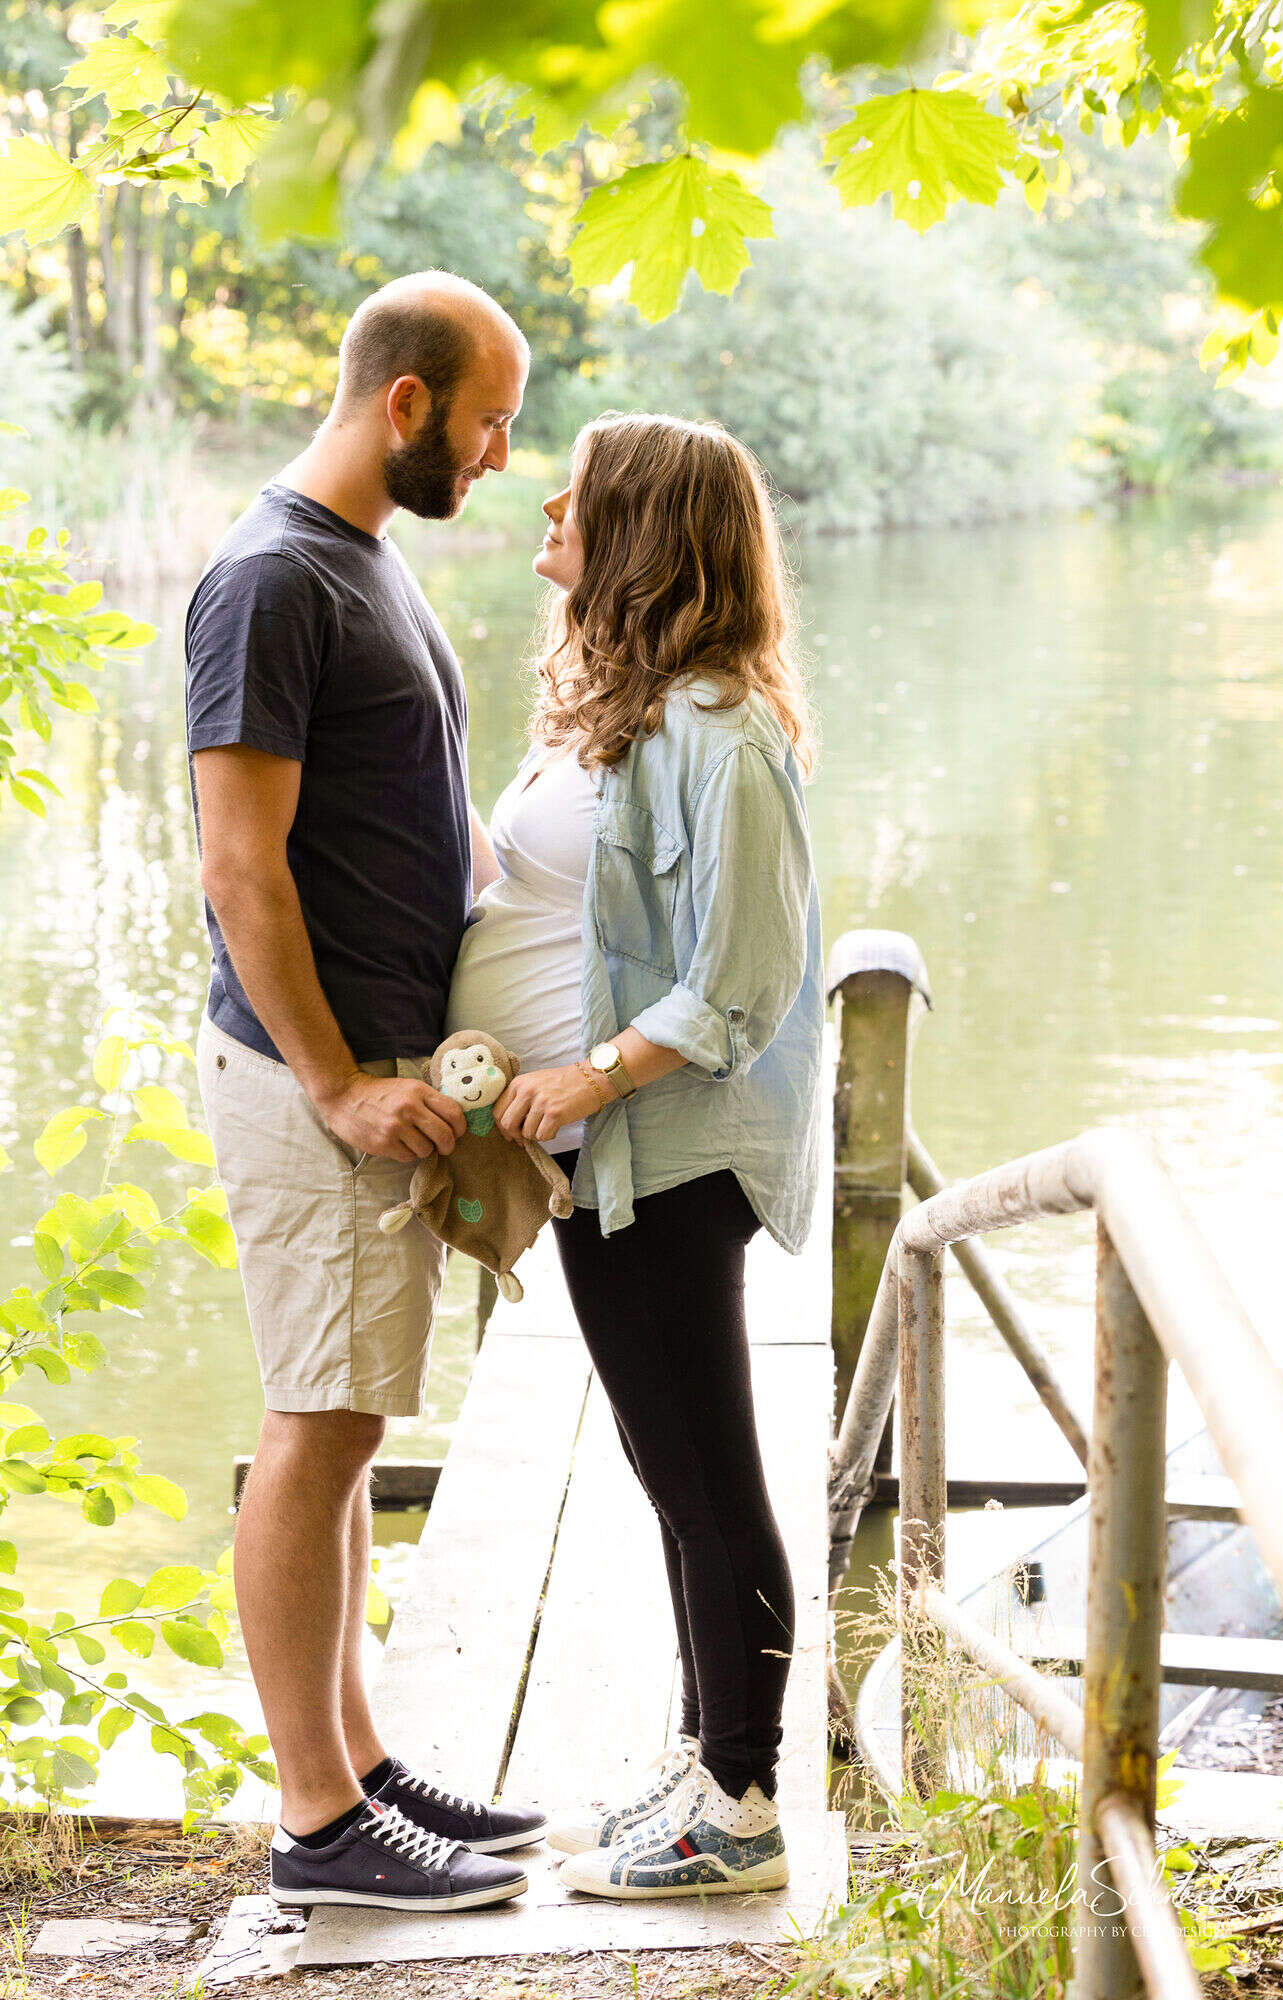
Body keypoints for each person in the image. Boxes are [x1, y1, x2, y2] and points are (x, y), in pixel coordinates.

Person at [186, 271, 546, 1915]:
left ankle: (359, 1764)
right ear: (406, 403)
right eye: (487, 423)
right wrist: (336, 1087)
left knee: (343, 1423)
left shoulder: (363, 559)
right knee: (315, 1430)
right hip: (311, 1078)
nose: (496, 457)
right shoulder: (270, 578)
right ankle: (318, 1826)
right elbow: (240, 864)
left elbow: (427, 814)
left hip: (390, 1064)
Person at [444, 411, 823, 1899]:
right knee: (673, 1476)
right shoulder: (632, 704)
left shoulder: (721, 733)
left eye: (582, 489)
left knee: (705, 1477)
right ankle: (706, 1757)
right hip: (609, 1156)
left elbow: (743, 982)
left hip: (665, 1154)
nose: (547, 500)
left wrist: (582, 1076)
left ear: (645, 532)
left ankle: (743, 1806)